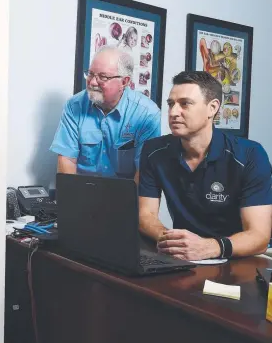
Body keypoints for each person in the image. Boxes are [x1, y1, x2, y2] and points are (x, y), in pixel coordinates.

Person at [138, 71, 272, 261]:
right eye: (171, 104)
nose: (174, 112)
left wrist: (210, 247)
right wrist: (171, 240)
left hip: (237, 257)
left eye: (185, 103)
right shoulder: (153, 151)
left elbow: (259, 236)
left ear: (212, 108)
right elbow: (145, 215)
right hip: (185, 257)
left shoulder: (250, 155)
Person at [50, 46, 161, 180]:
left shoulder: (146, 114)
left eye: (102, 77)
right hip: (82, 192)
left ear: (124, 82)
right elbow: (67, 160)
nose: (92, 82)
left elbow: (144, 172)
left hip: (125, 196)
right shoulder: (74, 106)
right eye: (90, 74)